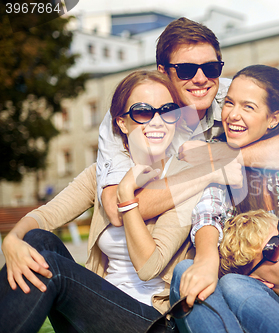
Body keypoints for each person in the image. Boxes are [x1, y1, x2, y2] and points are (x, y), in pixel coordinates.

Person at [0, 70, 208, 332]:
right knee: (37, 242)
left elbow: (149, 266)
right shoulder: (101, 174)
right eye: (143, 111)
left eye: (167, 111)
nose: (157, 121)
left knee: (55, 270)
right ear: (122, 123)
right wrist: (12, 240)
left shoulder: (185, 178)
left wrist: (126, 194)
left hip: (153, 321)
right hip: (97, 309)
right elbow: (46, 215)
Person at [97, 17, 279, 228]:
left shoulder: (233, 96)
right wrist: (211, 170)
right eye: (186, 70)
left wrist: (218, 154)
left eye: (211, 68)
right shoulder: (133, 112)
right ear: (163, 72)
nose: (201, 78)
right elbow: (117, 211)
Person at [169, 65, 279, 333]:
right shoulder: (218, 155)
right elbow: (209, 211)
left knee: (233, 284)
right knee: (186, 271)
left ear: (273, 119)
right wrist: (205, 259)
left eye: (248, 107)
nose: (232, 115)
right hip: (228, 289)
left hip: (276, 289)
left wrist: (218, 156)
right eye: (228, 103)